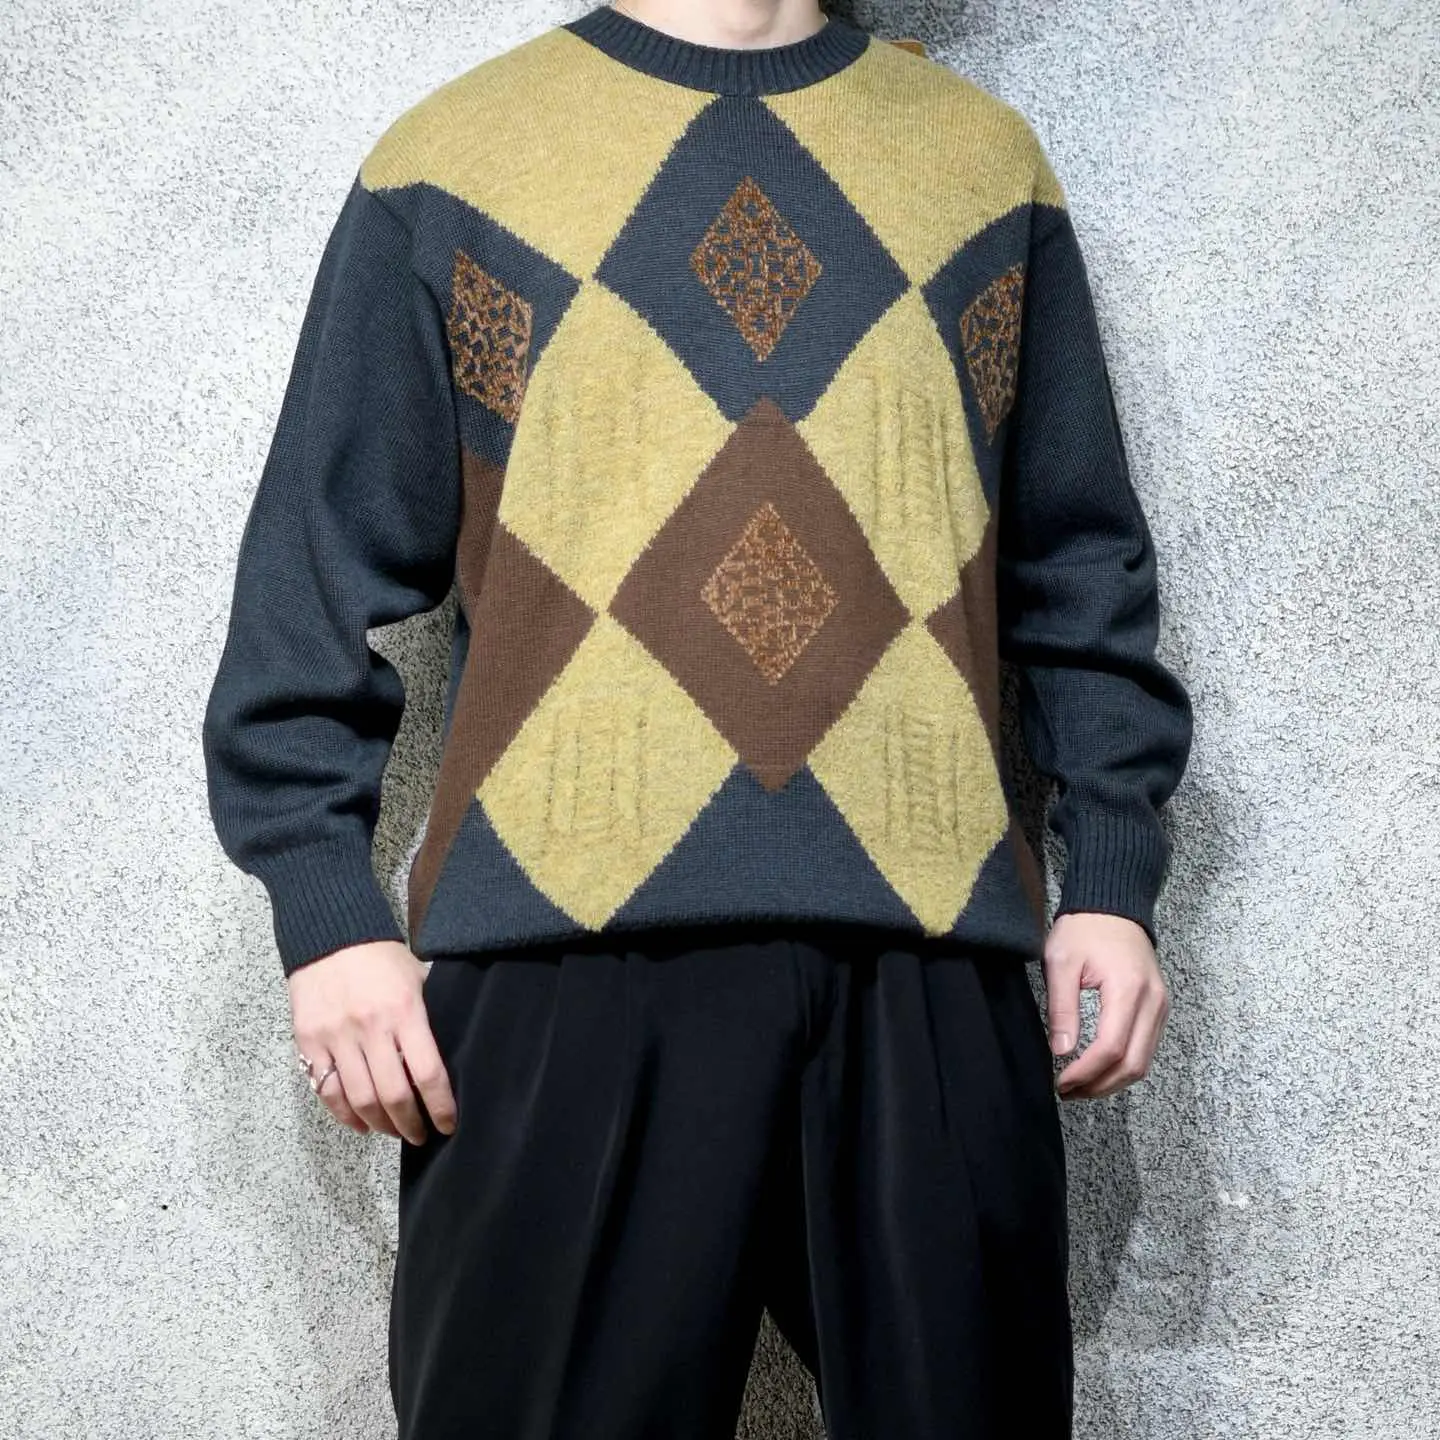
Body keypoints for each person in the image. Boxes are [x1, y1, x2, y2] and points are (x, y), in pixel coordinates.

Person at [200, 2, 1194, 1435]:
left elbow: (1078, 559)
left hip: (934, 961)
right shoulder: (458, 161)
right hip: (556, 965)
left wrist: (1111, 874)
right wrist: (325, 911)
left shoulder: (982, 164)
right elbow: (308, 575)